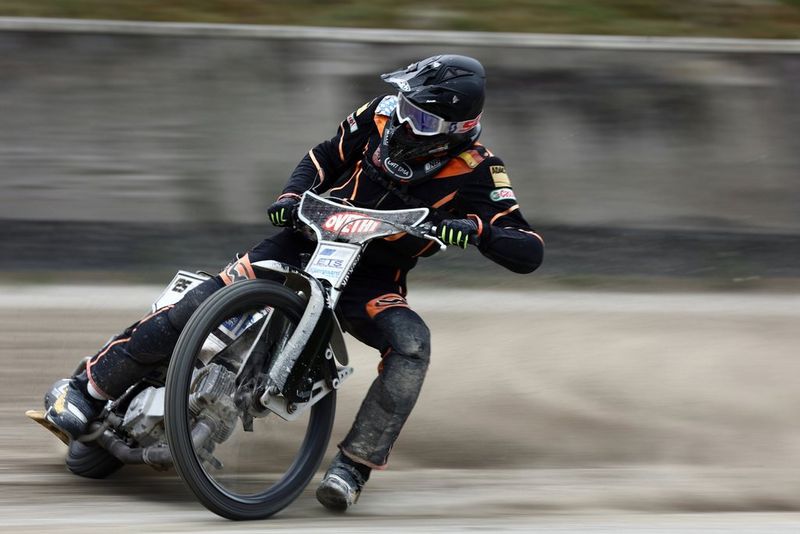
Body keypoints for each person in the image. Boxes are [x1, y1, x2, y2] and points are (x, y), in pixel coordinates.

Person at [43, 54, 544, 511]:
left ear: (462, 127)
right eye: (407, 106)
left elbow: (528, 248)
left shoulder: (481, 170)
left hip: (370, 277)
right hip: (306, 240)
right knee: (203, 300)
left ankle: (353, 466)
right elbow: (324, 156)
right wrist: (292, 193)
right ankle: (86, 386)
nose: (407, 120)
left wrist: (478, 229)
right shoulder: (381, 113)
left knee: (412, 344)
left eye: (424, 119)